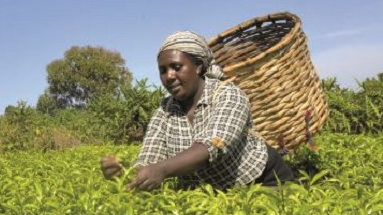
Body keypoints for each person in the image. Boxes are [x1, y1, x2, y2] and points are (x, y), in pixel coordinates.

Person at [101, 30, 296, 191]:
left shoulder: (228, 94)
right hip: (216, 194)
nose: (169, 76)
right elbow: (150, 159)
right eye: (163, 70)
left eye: (176, 67)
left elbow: (214, 144)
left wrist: (163, 169)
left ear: (199, 67)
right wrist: (124, 174)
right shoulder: (164, 112)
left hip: (264, 181)